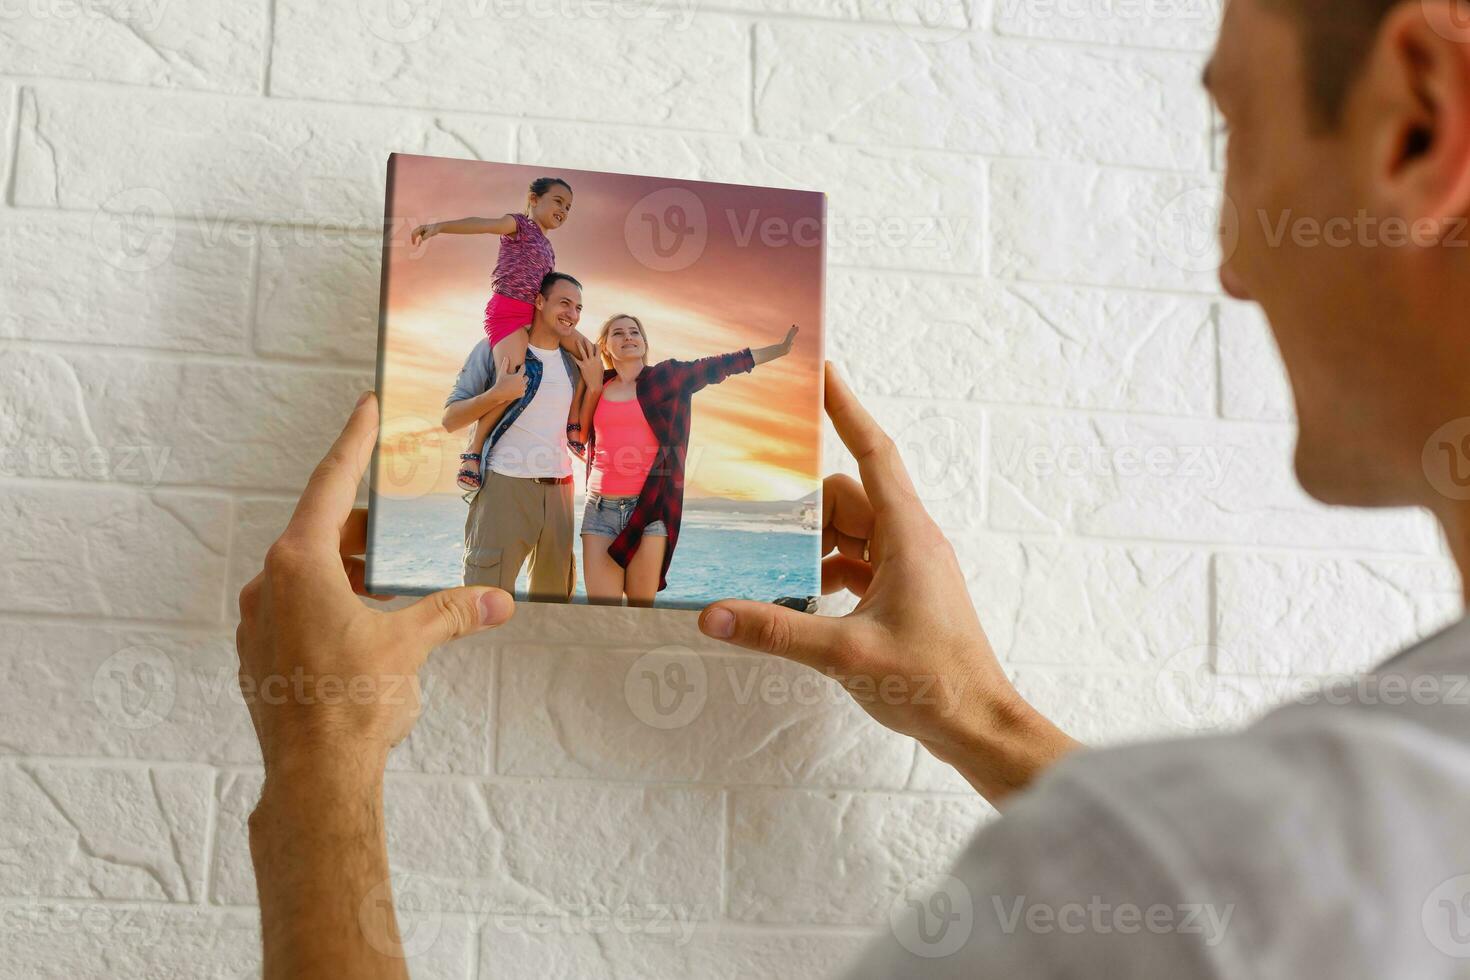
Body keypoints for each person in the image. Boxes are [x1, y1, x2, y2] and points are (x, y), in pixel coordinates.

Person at [236, 0, 1470, 974]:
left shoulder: (1225, 869)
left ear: (1421, 119)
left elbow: (1209, 913)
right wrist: (977, 712)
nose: (1237, 260)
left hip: (622, 511)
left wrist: (317, 772)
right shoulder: (1321, 852)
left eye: (1236, 131)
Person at [572, 314, 799, 606]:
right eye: (618, 333)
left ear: (643, 342)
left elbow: (720, 365)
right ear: (604, 346)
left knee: (641, 610)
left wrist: (778, 350)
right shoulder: (596, 385)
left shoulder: (666, 378)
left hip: (650, 509)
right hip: (599, 509)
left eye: (634, 332)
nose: (628, 337)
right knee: (603, 613)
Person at [410, 176, 591, 491]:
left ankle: (575, 424)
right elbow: (481, 224)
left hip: (536, 316)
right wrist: (439, 227)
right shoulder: (519, 225)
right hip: (508, 314)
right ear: (534, 199)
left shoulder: (549, 248)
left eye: (569, 207)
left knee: (590, 355)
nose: (564, 210)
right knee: (512, 383)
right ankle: (473, 452)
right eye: (558, 201)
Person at [441, 271, 602, 601]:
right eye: (564, 303)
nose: (572, 314)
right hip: (505, 488)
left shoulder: (578, 363)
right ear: (539, 301)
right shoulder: (495, 348)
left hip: (561, 491)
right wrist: (496, 394)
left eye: (578, 308)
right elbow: (450, 419)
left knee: (554, 602)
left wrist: (596, 382)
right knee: (486, 600)